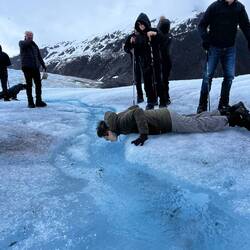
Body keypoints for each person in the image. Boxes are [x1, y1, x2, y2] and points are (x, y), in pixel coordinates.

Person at [97, 102, 250, 146]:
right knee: (195, 118)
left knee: (198, 125)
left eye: (105, 137)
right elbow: (134, 108)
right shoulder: (117, 119)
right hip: (164, 114)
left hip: (166, 121)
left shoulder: (120, 124)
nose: (107, 139)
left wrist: (143, 134)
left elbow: (137, 112)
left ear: (108, 131)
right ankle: (230, 110)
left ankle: (235, 118)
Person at [197, 0, 250, 113]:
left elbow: (246, 26)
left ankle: (223, 104)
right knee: (208, 76)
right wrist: (205, 39)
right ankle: (202, 106)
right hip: (214, 47)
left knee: (229, 76)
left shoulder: (239, 8)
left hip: (230, 48)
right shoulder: (215, 7)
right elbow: (201, 25)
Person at [129, 13, 166, 109]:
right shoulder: (138, 37)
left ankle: (162, 101)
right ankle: (151, 101)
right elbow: (136, 51)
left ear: (146, 23)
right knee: (148, 83)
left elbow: (163, 39)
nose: (141, 26)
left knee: (158, 81)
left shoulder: (153, 31)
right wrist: (132, 45)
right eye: (139, 24)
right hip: (145, 63)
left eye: (142, 24)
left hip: (155, 62)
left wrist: (155, 34)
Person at [19, 31, 47, 108]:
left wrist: (43, 64)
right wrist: (28, 40)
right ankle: (30, 102)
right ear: (25, 36)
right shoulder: (22, 43)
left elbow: (39, 56)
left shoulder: (34, 45)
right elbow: (25, 45)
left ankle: (38, 101)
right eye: (28, 35)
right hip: (27, 67)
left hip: (35, 67)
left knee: (38, 84)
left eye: (31, 35)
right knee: (29, 85)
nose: (30, 36)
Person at [124, 31, 144, 103]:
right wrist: (130, 49)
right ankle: (140, 96)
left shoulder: (143, 35)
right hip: (135, 60)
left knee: (147, 77)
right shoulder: (131, 37)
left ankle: (149, 95)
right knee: (137, 78)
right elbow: (126, 48)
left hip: (144, 58)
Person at [157, 16, 172, 105]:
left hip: (160, 60)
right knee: (165, 80)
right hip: (167, 60)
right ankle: (166, 97)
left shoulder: (159, 35)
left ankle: (163, 98)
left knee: (160, 80)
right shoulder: (168, 36)